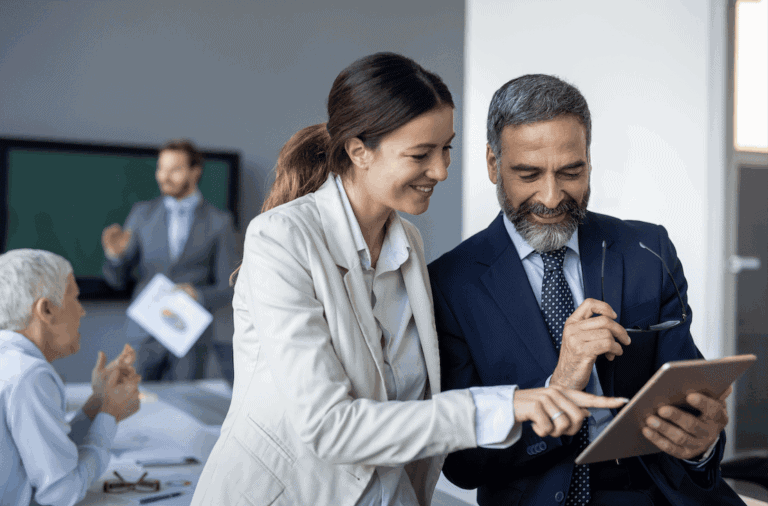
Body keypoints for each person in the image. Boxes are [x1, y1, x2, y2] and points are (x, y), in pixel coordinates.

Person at [191, 53, 626, 506]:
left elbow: (411, 413)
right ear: (359, 151)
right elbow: (328, 427)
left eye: (446, 148)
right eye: (421, 154)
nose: (440, 170)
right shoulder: (280, 239)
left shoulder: (409, 247)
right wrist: (505, 405)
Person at [429, 74, 744, 505]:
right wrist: (557, 384)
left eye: (571, 172)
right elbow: (463, 464)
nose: (552, 196)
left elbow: (686, 399)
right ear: (492, 164)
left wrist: (701, 444)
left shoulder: (647, 251)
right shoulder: (450, 283)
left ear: (589, 161)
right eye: (528, 174)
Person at [0, 248, 141, 506]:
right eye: (75, 298)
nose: (82, 311)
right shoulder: (30, 374)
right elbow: (62, 493)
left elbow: (50, 454)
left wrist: (98, 403)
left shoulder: (10, 361)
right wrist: (111, 414)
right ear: (46, 310)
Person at [101, 139, 238, 383]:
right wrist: (115, 256)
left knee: (185, 412)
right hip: (143, 335)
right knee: (133, 406)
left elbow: (230, 287)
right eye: (161, 169)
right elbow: (117, 280)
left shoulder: (220, 221)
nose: (164, 176)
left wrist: (198, 295)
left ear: (195, 172)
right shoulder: (141, 214)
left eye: (174, 170)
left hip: (189, 338)